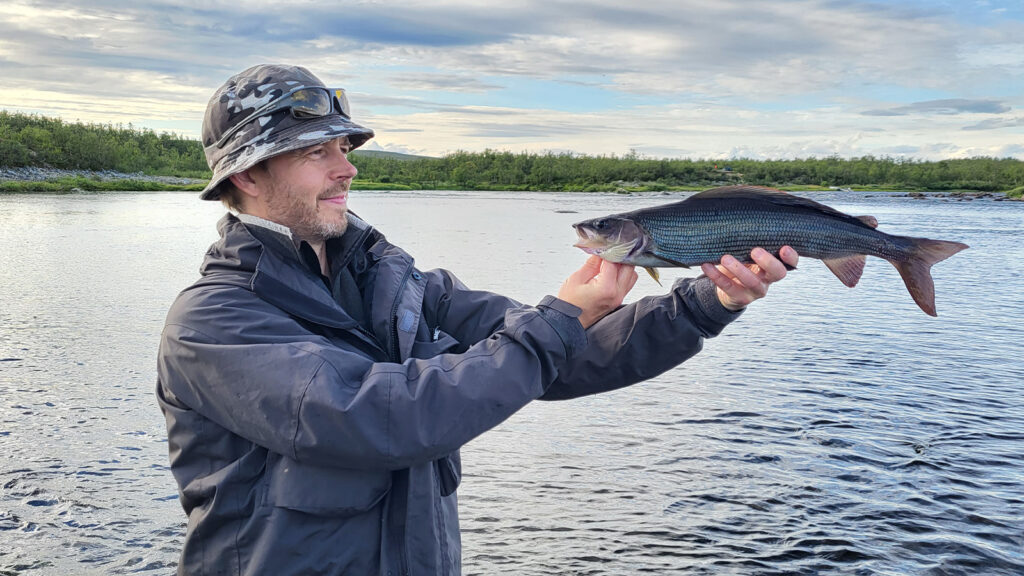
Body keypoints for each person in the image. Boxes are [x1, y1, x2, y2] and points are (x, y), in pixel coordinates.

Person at [156, 63, 799, 576]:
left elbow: (561, 356)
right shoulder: (213, 323)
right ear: (246, 173)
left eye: (344, 146)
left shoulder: (397, 281)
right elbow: (385, 419)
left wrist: (708, 303)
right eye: (315, 152)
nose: (347, 166)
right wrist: (557, 320)